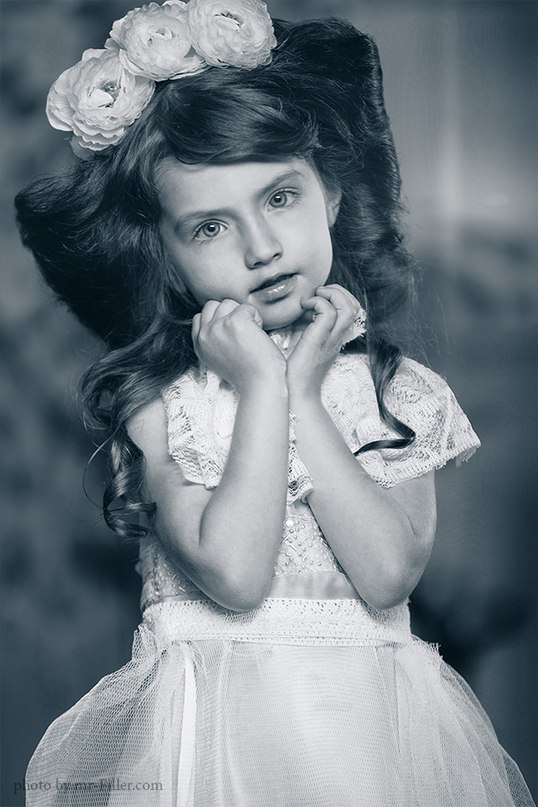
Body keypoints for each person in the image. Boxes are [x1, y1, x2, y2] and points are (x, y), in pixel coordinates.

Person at [15, 1, 535, 805]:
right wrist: (261, 388)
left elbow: (389, 572)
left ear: (329, 191)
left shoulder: (397, 392)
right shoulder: (163, 401)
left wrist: (304, 394)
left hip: (366, 733)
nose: (261, 248)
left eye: (281, 199)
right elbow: (233, 571)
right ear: (168, 257)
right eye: (212, 226)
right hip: (214, 735)